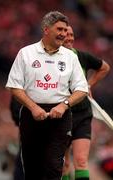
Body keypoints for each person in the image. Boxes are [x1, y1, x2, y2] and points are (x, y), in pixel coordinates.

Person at [6, 11, 88, 180]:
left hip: (60, 115)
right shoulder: (26, 53)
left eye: (65, 30)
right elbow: (14, 86)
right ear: (46, 29)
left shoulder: (70, 57)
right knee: (32, 167)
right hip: (31, 113)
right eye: (59, 29)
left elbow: (81, 89)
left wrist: (64, 104)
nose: (63, 34)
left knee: (53, 165)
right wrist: (33, 107)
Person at [62, 26, 110, 180]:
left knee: (81, 161)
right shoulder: (50, 60)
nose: (69, 38)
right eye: (65, 35)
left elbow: (104, 68)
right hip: (61, 115)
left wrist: (89, 84)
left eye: (71, 34)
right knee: (64, 164)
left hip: (82, 114)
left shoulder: (81, 56)